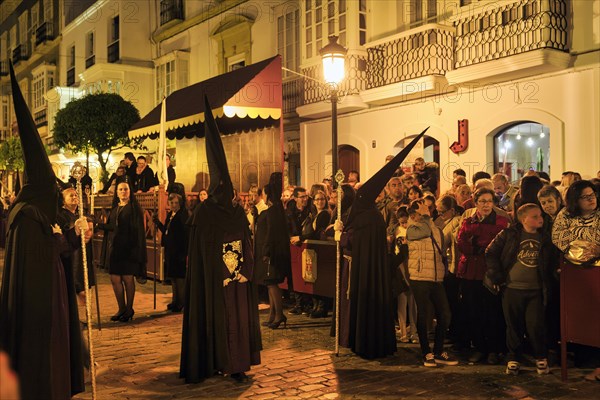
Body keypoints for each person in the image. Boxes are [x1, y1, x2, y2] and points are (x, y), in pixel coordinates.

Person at [0, 63, 85, 399]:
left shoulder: (34, 213)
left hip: (52, 298)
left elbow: (59, 247)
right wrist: (67, 238)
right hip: (41, 308)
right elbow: (47, 254)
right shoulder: (28, 217)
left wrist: (74, 236)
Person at [180, 96, 261, 384]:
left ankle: (237, 364)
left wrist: (245, 271)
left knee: (237, 321)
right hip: (215, 280)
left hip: (236, 278)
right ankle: (213, 360)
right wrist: (219, 270)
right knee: (217, 319)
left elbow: (246, 241)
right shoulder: (204, 212)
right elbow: (201, 249)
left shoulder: (237, 211)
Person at [335, 128, 428, 359]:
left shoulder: (366, 217)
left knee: (367, 307)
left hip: (365, 274)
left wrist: (341, 234)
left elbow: (355, 242)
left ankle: (366, 343)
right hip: (370, 273)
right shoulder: (373, 214)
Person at [485, 204, 555, 375]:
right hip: (512, 287)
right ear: (523, 219)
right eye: (535, 216)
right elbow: (491, 252)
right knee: (513, 325)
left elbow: (552, 261)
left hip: (536, 289)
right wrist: (497, 275)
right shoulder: (510, 234)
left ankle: (541, 357)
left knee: (535, 325)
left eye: (540, 215)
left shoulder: (545, 238)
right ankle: (513, 358)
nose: (540, 218)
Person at [456, 187, 510, 364]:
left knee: (492, 312)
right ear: (475, 202)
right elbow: (461, 242)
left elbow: (498, 245)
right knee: (474, 311)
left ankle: (494, 349)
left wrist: (477, 245)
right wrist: (479, 247)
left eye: (489, 201)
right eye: (482, 201)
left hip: (490, 272)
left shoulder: (501, 222)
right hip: (471, 273)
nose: (486, 205)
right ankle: (479, 347)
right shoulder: (468, 220)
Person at [406, 199, 458, 367]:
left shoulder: (436, 228)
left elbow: (441, 248)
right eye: (420, 212)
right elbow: (424, 232)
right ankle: (425, 352)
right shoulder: (412, 228)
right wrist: (426, 217)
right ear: (413, 215)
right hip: (419, 276)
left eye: (427, 210)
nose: (425, 214)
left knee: (445, 314)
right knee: (423, 314)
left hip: (436, 277)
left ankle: (438, 350)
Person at [99, 181, 147, 322]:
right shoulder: (115, 208)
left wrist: (136, 251)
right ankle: (121, 307)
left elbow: (138, 231)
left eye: (125, 189)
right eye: (120, 189)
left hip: (129, 248)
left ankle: (129, 309)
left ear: (129, 191)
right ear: (117, 192)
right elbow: (113, 227)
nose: (123, 192)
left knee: (127, 279)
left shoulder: (134, 208)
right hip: (116, 249)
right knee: (115, 279)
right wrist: (99, 225)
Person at [255, 173, 291, 329]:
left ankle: (279, 314)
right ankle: (272, 314)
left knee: (272, 283)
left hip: (272, 252)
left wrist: (267, 250)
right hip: (269, 251)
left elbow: (271, 232)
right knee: (269, 283)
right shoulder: (273, 210)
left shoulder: (273, 211)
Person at [57, 186, 95, 312]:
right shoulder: (61, 216)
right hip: (70, 255)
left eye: (76, 195)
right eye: (71, 195)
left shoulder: (80, 214)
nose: (74, 197)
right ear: (63, 201)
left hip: (81, 254)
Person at [154, 193, 188, 312]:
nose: (173, 205)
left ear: (180, 203)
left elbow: (184, 235)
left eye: (176, 203)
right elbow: (166, 231)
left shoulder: (182, 215)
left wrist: (184, 253)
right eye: (171, 203)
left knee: (179, 278)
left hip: (179, 250)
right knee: (173, 277)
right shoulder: (170, 215)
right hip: (170, 250)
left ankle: (181, 302)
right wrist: (158, 223)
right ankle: (175, 300)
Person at [552, 180, 600, 257]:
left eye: (592, 195)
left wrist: (575, 229)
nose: (591, 199)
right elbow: (557, 238)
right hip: (571, 264)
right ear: (575, 200)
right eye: (585, 197)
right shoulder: (565, 213)